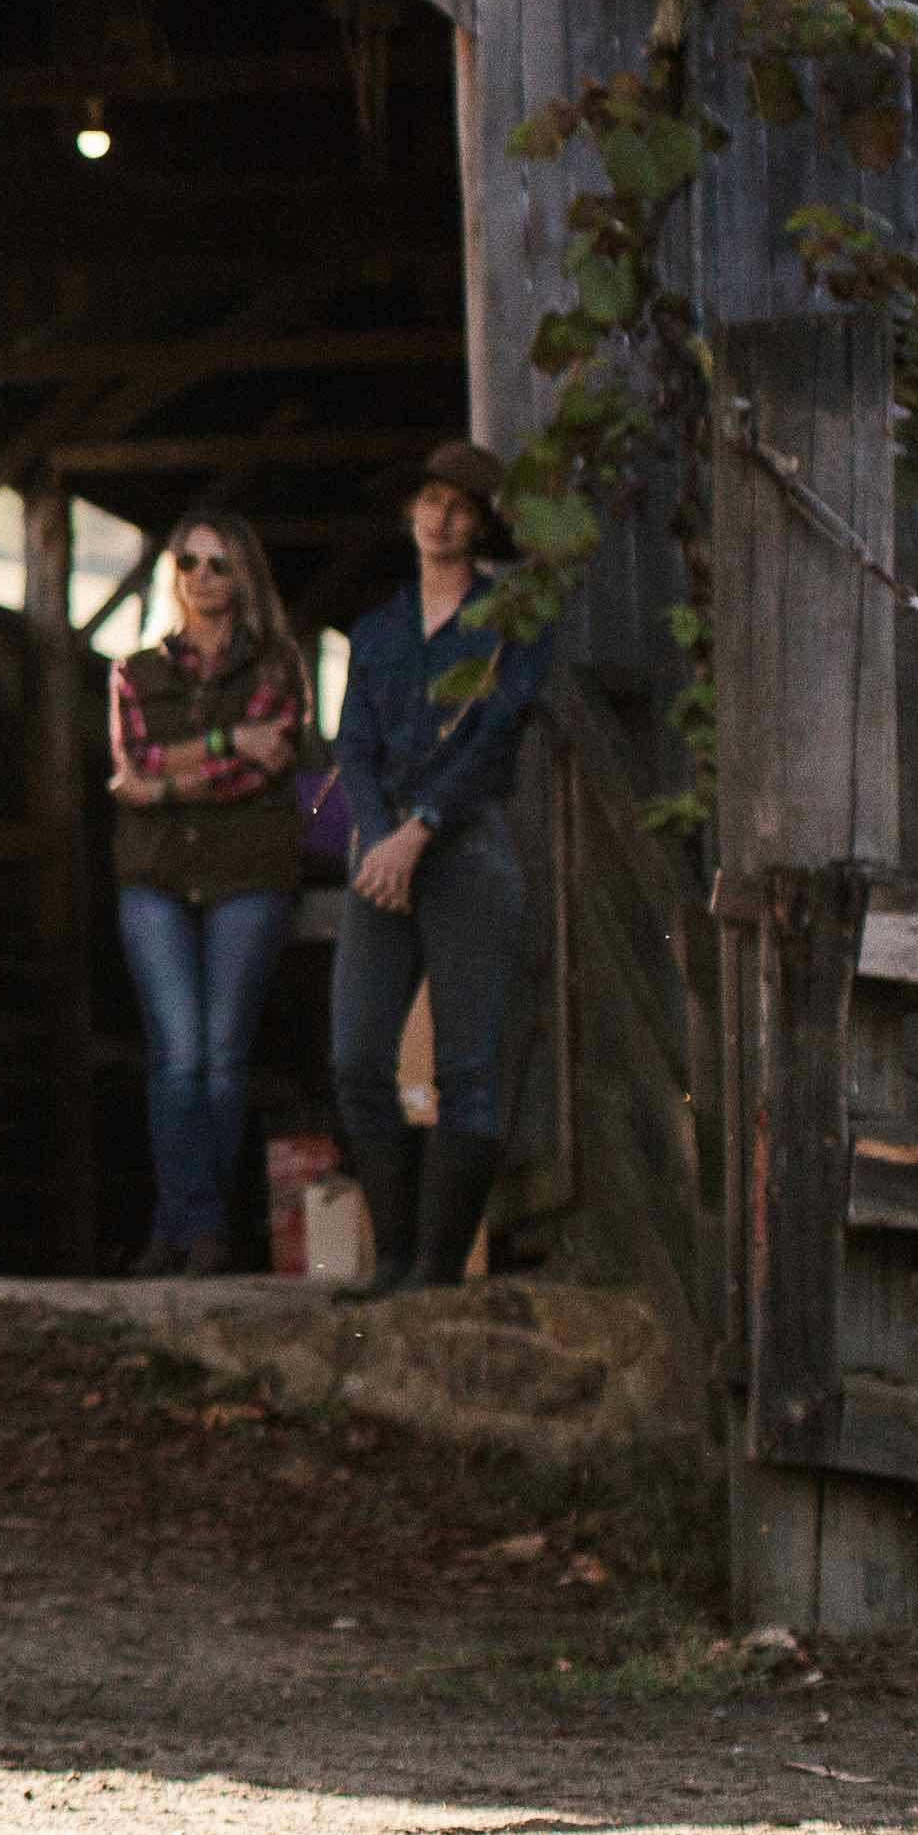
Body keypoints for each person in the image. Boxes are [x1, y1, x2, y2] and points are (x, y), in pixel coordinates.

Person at [328, 439, 557, 1297]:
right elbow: (350, 744)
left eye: (459, 506)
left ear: (483, 522)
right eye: (428, 501)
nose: (440, 517)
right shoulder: (378, 630)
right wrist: (381, 833)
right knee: (356, 1060)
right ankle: (391, 1260)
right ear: (409, 512)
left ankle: (435, 1271)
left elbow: (495, 737)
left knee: (466, 1067)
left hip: (463, 854)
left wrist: (420, 829)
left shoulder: (511, 621)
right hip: (380, 858)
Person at [104, 508, 311, 1278]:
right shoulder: (134, 669)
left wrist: (169, 780)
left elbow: (267, 764)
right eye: (188, 562)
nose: (202, 578)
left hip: (247, 872)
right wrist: (221, 744)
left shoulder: (279, 663)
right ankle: (196, 1225)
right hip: (155, 875)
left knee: (222, 1058)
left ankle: (189, 1228)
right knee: (176, 1057)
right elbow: (135, 766)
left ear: (244, 575)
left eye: (219, 564)